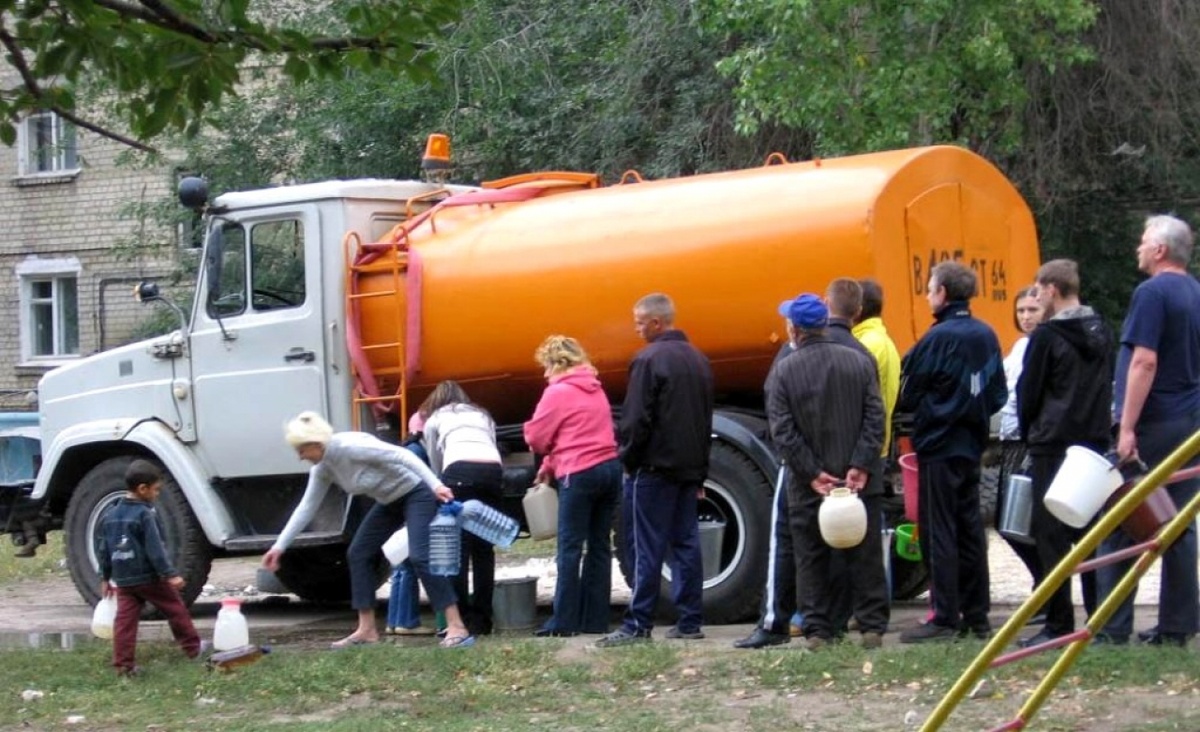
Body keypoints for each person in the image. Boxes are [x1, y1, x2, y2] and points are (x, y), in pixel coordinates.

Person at [263, 411, 474, 649]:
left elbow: (403, 455)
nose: (300, 457)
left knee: (419, 556)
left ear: (315, 444)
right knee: (359, 552)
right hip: (387, 501)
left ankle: (457, 626)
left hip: (415, 493)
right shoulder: (323, 468)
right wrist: (279, 547)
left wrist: (436, 485)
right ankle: (366, 630)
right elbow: (306, 508)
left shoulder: (351, 447)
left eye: (301, 450)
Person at [1096, 214, 1200, 647]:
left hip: (1156, 420)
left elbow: (1144, 361)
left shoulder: (1152, 292)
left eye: (1142, 242)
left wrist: (1127, 426)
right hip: (1190, 420)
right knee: (1177, 521)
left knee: (1121, 515)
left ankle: (1112, 626)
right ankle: (1177, 624)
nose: (1137, 249)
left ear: (1159, 250)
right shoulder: (1195, 291)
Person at [765, 293, 888, 649]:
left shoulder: (784, 370)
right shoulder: (859, 361)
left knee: (810, 554)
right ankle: (872, 625)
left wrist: (811, 472)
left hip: (808, 485)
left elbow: (783, 430)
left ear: (794, 329)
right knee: (865, 553)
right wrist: (861, 465)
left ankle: (818, 629)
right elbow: (875, 417)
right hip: (858, 481)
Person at [897, 261, 1007, 643]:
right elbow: (997, 394)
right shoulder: (986, 335)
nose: (928, 295)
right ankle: (978, 615)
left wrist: (935, 411)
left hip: (939, 445)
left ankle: (944, 616)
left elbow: (906, 390)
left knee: (938, 529)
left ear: (942, 293)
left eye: (930, 289)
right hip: (972, 443)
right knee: (971, 529)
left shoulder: (936, 338)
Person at [597, 293, 714, 647]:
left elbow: (636, 419)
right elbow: (705, 417)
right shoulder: (698, 359)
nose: (636, 328)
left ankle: (638, 624)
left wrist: (629, 459)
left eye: (639, 322)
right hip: (688, 469)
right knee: (686, 544)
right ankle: (690, 620)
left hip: (653, 469)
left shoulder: (648, 360)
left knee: (645, 547)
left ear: (656, 323)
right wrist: (699, 472)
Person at [1016, 260, 1113, 647]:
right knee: (1090, 531)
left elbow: (1030, 392)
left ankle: (1058, 621)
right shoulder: (1102, 330)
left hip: (1052, 444)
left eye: (1038, 290)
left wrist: (1030, 433)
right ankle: (1099, 615)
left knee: (1051, 536)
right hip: (1092, 443)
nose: (1036, 297)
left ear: (1052, 290)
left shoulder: (1047, 337)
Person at [524, 335, 621, 637]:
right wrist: (550, 465)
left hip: (579, 475)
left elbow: (536, 438)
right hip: (609, 469)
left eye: (546, 366)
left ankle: (563, 622)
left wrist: (534, 436)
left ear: (557, 363)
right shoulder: (595, 388)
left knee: (569, 547)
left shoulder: (558, 392)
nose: (544, 374)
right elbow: (580, 433)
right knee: (600, 546)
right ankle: (595, 620)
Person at [98, 459, 203, 676]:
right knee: (175, 608)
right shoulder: (145, 514)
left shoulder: (110, 515)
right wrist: (170, 574)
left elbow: (104, 549)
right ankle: (193, 649)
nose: (157, 495)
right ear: (142, 489)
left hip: (124, 580)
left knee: (125, 621)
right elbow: (155, 549)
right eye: (156, 490)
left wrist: (105, 577)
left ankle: (123, 665)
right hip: (149, 578)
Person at [420, 381, 505, 637]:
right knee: (483, 549)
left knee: (457, 550)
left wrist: (440, 487)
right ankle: (483, 619)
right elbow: (491, 443)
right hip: (492, 473)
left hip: (457, 473)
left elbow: (435, 462)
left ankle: (462, 620)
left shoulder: (435, 418)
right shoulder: (483, 415)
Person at [995, 286, 1046, 598]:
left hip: (1027, 441)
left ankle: (1046, 585)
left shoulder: (1043, 346)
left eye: (1032, 310)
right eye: (1021, 311)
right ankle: (1043, 584)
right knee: (1009, 522)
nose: (1026, 317)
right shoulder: (1020, 346)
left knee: (1021, 522)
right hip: (1010, 440)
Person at [385, 411, 436, 636]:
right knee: (408, 566)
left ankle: (395, 620)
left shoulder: (406, 449)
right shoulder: (418, 451)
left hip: (400, 509)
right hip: (412, 511)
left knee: (400, 567)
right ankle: (407, 621)